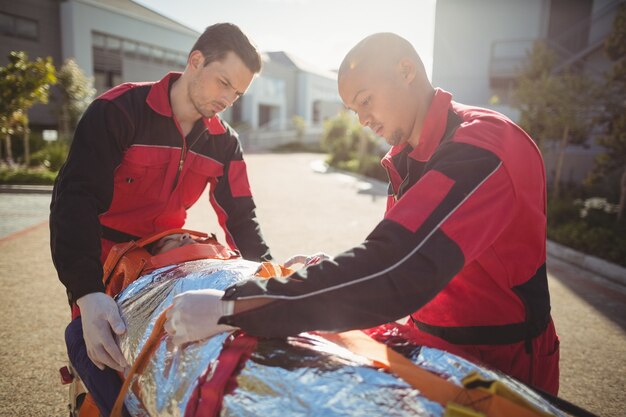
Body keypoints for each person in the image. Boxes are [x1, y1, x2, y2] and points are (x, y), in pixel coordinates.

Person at [164, 32, 560, 395]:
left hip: (500, 363)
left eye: (365, 100)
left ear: (406, 71)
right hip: (434, 349)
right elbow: (394, 249)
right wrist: (320, 270)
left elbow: (396, 267)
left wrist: (234, 308)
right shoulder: (409, 155)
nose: (362, 121)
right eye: (354, 109)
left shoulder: (483, 147)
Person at [51, 22, 272, 416]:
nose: (227, 99)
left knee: (189, 343)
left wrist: (270, 275)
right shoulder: (118, 111)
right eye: (223, 83)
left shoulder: (225, 141)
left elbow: (241, 216)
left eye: (237, 93)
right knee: (96, 346)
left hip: (169, 257)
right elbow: (75, 199)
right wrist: (87, 293)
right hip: (103, 260)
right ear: (196, 61)